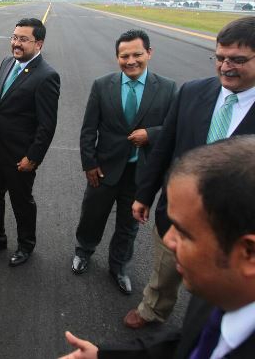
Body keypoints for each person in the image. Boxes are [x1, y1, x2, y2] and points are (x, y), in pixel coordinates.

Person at [60, 135, 255, 359]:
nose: (168, 239)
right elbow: (188, 342)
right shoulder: (218, 293)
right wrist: (102, 356)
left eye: (183, 232)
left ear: (248, 253)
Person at [123, 16, 255, 329]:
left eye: (237, 60)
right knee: (165, 269)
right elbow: (164, 147)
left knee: (219, 295)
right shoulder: (192, 92)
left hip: (237, 229)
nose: (225, 67)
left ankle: (210, 329)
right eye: (220, 58)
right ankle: (153, 308)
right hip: (179, 213)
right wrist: (144, 194)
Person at [71, 30, 176, 294]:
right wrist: (89, 164)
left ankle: (118, 267)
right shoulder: (101, 85)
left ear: (149, 53)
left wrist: (150, 134)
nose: (131, 61)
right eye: (124, 56)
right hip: (103, 169)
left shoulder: (167, 88)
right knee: (92, 215)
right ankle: (83, 252)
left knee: (128, 226)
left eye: (137, 54)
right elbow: (88, 130)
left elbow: (175, 128)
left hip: (140, 173)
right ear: (117, 57)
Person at [0, 18, 60, 267]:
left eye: (23, 39)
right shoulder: (7, 63)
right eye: (14, 37)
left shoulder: (47, 76)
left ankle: (25, 246)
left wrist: (33, 157)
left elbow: (47, 125)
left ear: (38, 43)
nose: (16, 44)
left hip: (20, 156)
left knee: (21, 202)